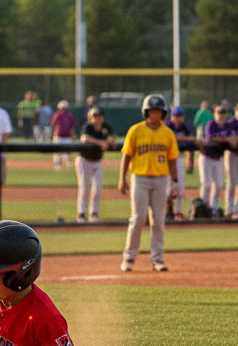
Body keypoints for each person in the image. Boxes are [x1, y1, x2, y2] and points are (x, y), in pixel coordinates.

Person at [118, 94, 179, 272]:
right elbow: (126, 156)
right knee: (138, 218)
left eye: (158, 111)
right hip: (140, 178)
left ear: (163, 113)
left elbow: (172, 160)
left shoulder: (167, 133)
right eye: (152, 110)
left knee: (158, 220)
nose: (155, 114)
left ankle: (157, 259)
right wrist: (122, 178)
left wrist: (175, 183)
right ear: (146, 112)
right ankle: (129, 258)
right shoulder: (136, 130)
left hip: (161, 179)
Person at [76, 105, 113, 222]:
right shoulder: (88, 127)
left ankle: (94, 214)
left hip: (97, 161)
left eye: (100, 117)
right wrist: (100, 143)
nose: (97, 119)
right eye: (95, 117)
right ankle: (81, 214)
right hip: (85, 160)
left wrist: (109, 142)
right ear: (90, 118)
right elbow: (84, 138)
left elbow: (112, 138)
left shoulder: (105, 127)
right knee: (84, 188)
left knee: (97, 189)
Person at [165, 107, 196, 220]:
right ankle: (166, 211)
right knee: (167, 187)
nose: (177, 118)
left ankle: (177, 211)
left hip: (178, 159)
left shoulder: (185, 127)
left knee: (179, 187)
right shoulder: (168, 126)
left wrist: (190, 161)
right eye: (175, 116)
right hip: (166, 160)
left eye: (179, 116)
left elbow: (192, 141)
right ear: (171, 116)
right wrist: (184, 139)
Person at [198, 104, 229, 217]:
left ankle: (214, 208)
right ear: (215, 115)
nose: (221, 116)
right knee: (207, 185)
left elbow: (232, 137)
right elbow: (211, 138)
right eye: (218, 114)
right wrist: (227, 139)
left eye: (223, 114)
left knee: (219, 185)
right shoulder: (211, 124)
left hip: (218, 158)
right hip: (207, 157)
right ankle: (204, 207)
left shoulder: (227, 126)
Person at [50, 100, 75, 170]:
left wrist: (73, 134)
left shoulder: (69, 115)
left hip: (67, 136)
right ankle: (57, 165)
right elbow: (53, 125)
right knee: (58, 152)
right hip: (59, 135)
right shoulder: (57, 115)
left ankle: (68, 164)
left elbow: (72, 126)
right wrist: (52, 134)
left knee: (68, 152)